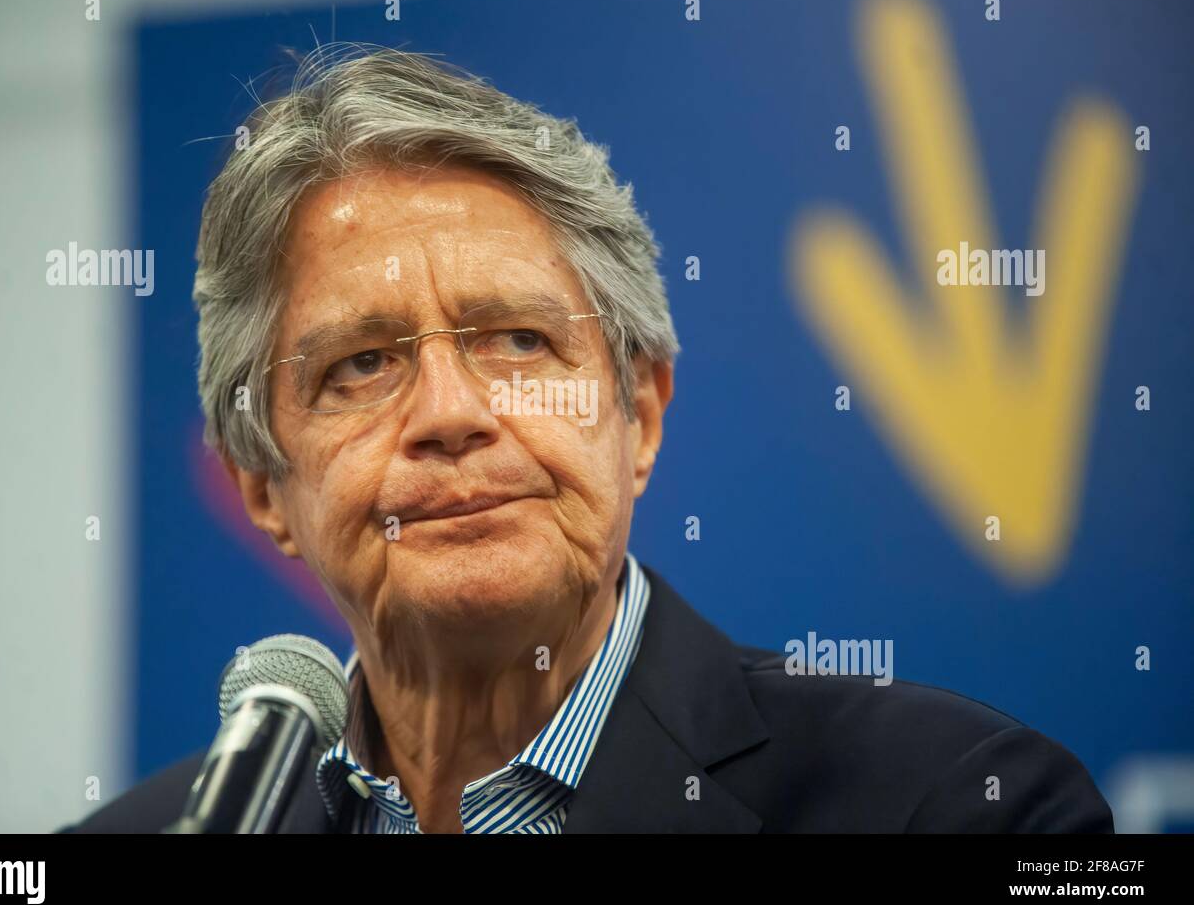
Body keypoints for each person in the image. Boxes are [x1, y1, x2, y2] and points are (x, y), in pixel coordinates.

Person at [63, 45, 1112, 834]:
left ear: (639, 414)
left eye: (517, 340)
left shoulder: (961, 805)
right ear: (260, 484)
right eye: (361, 365)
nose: (448, 414)